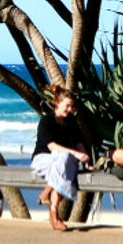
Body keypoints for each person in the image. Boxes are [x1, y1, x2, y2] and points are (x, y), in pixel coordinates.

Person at [30, 91, 88, 232]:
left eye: (71, 107)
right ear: (57, 103)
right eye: (67, 106)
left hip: (63, 163)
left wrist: (84, 156)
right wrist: (75, 153)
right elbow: (52, 146)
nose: (70, 110)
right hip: (44, 159)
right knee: (63, 159)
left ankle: (51, 206)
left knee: (63, 162)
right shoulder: (46, 121)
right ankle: (54, 213)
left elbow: (78, 142)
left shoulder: (71, 122)